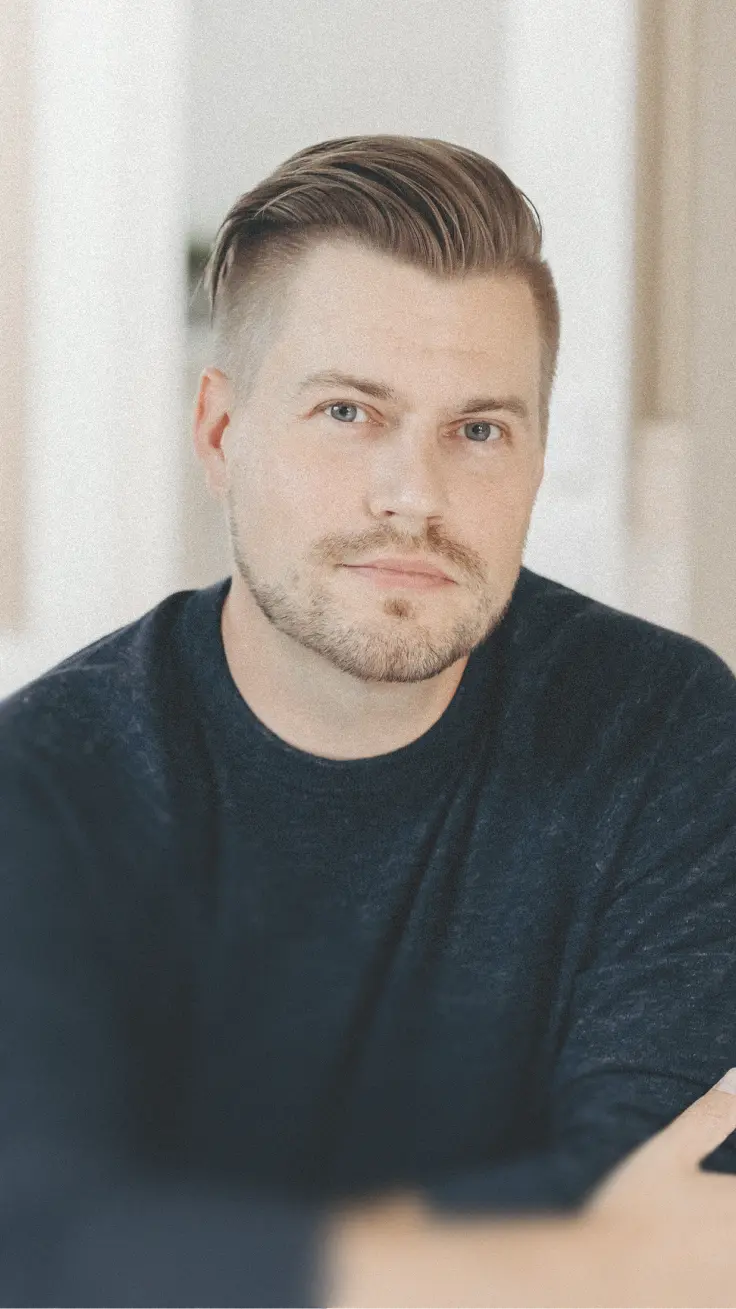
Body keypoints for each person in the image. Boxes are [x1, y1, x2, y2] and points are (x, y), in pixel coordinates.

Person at [1, 133, 735, 1306]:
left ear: (538, 460)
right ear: (221, 434)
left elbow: (682, 1233)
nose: (416, 494)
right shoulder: (44, 784)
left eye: (479, 428)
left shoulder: (665, 734)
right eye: (349, 412)